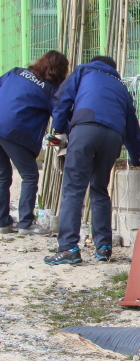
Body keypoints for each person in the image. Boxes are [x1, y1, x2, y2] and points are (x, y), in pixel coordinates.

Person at [45, 56, 140, 265]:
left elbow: (63, 99)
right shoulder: (120, 86)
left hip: (85, 129)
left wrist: (59, 129)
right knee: (100, 188)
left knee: (74, 189)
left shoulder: (83, 71)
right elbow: (132, 125)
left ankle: (68, 248)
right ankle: (104, 247)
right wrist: (137, 158)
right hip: (113, 136)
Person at [0, 50, 70, 236]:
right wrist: (65, 133)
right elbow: (59, 117)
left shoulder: (14, 72)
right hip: (16, 131)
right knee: (30, 176)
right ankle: (25, 224)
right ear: (60, 71)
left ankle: (3, 222)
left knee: (2, 175)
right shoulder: (51, 89)